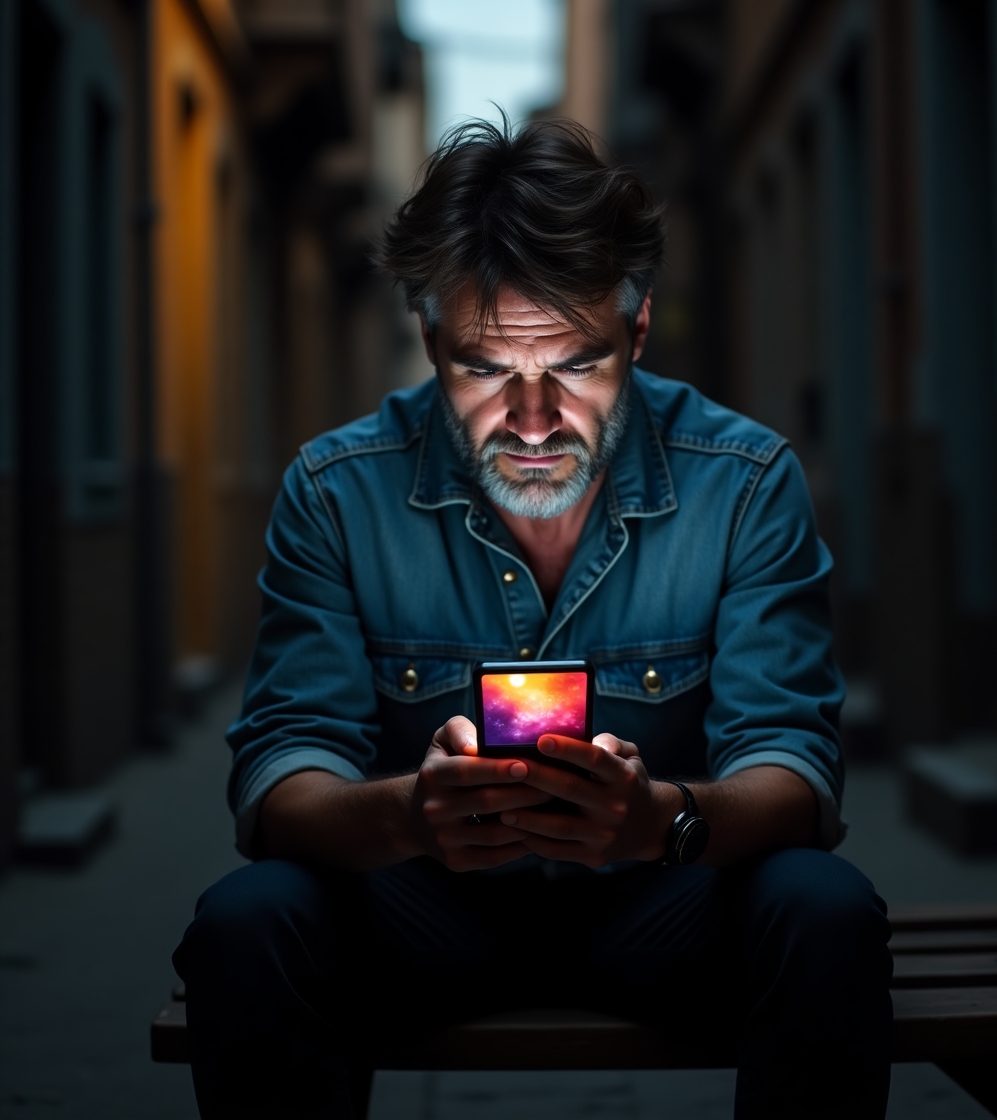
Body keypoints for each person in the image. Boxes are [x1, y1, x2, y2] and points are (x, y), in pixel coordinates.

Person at [173, 118, 892, 1119]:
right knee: (245, 921)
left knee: (825, 909)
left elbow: (793, 771)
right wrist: (406, 815)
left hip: (664, 905)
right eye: (483, 369)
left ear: (636, 333)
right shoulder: (338, 489)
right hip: (419, 906)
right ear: (428, 338)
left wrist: (661, 820)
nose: (535, 418)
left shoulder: (745, 480)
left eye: (578, 365)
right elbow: (283, 772)